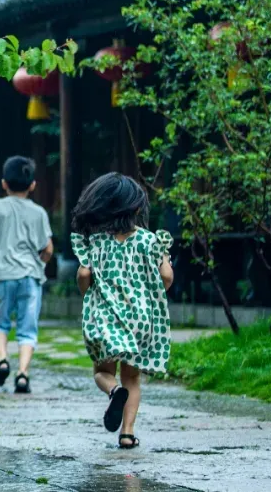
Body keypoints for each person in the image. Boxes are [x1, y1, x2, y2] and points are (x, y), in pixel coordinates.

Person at [70, 172, 174, 450]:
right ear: (137, 208)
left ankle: (113, 390)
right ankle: (127, 433)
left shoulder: (97, 243)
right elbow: (166, 278)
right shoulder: (151, 242)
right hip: (139, 320)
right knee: (133, 377)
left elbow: (83, 275)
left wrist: (88, 294)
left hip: (105, 318)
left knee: (102, 371)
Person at [0, 156, 54, 394]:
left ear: (3, 183)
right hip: (30, 277)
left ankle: (2, 360)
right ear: (33, 185)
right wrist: (38, 264)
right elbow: (48, 249)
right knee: (27, 328)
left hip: (0, 276)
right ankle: (22, 374)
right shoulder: (39, 212)